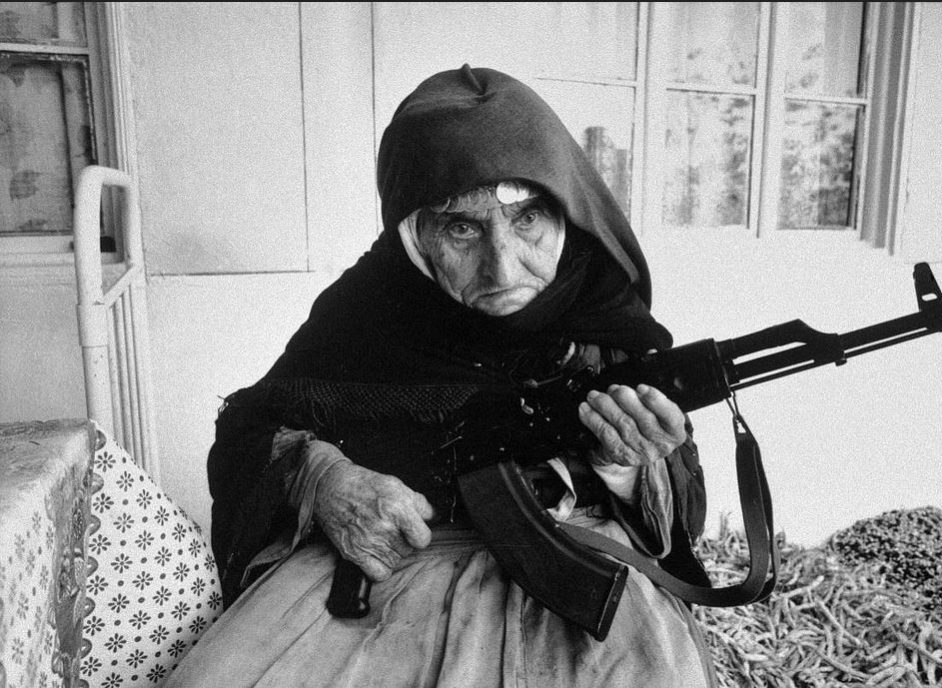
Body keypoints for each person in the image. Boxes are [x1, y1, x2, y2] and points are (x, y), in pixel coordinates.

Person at [166, 65, 717, 687]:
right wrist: (324, 481)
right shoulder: (368, 309)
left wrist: (630, 469)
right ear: (415, 235)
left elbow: (682, 516)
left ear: (567, 212)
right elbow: (249, 432)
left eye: (527, 219)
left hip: (581, 570)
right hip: (389, 577)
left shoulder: (604, 313)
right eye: (462, 228)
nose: (502, 267)